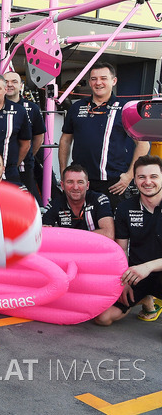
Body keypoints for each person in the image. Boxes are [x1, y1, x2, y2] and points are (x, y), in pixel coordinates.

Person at [59, 62, 150, 210]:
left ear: (113, 81)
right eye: (94, 79)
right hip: (80, 182)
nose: (98, 82)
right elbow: (65, 140)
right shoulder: (77, 107)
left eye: (103, 78)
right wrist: (64, 172)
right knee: (80, 226)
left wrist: (129, 175)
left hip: (113, 183)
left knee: (111, 229)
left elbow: (143, 143)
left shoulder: (125, 109)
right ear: (89, 82)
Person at [94, 156, 162, 326]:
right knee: (103, 318)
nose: (148, 182)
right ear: (135, 180)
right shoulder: (125, 208)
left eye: (153, 176)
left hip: (151, 270)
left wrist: (147, 267)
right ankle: (145, 299)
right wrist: (123, 282)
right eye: (141, 177)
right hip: (136, 275)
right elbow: (121, 250)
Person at [42, 164, 114, 239]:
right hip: (68, 250)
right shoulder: (54, 204)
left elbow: (108, 234)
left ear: (87, 185)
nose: (75, 187)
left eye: (80, 182)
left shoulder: (99, 199)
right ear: (62, 185)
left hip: (95, 249)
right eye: (70, 182)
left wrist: (69, 237)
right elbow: (44, 235)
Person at [5, 71, 45, 201]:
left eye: (14, 82)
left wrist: (25, 156)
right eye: (6, 82)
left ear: (21, 85)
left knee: (26, 205)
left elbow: (39, 138)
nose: (9, 85)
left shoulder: (32, 108)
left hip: (24, 168)